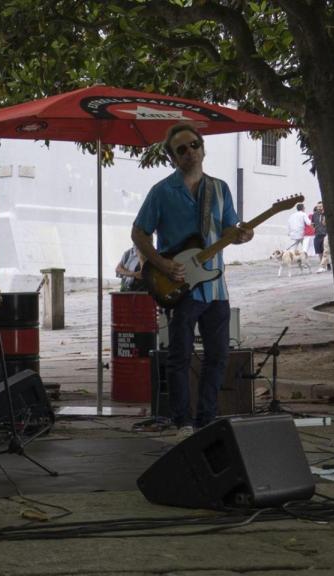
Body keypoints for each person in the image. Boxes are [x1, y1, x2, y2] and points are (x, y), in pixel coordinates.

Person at [131, 123, 253, 442]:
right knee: (179, 357)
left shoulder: (220, 189)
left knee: (218, 357)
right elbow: (139, 233)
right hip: (181, 286)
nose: (189, 152)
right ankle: (182, 421)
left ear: (203, 148)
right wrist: (162, 265)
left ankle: (207, 418)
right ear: (173, 157)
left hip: (216, 288)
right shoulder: (161, 192)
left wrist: (243, 235)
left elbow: (230, 230)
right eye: (181, 149)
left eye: (194, 145)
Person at [312, 201, 328, 270]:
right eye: (318, 207)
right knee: (319, 251)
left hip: (325, 234)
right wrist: (314, 229)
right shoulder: (314, 215)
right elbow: (312, 224)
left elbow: (325, 224)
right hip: (317, 235)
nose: (319, 208)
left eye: (321, 206)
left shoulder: (326, 214)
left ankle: (323, 266)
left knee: (325, 251)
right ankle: (324, 264)